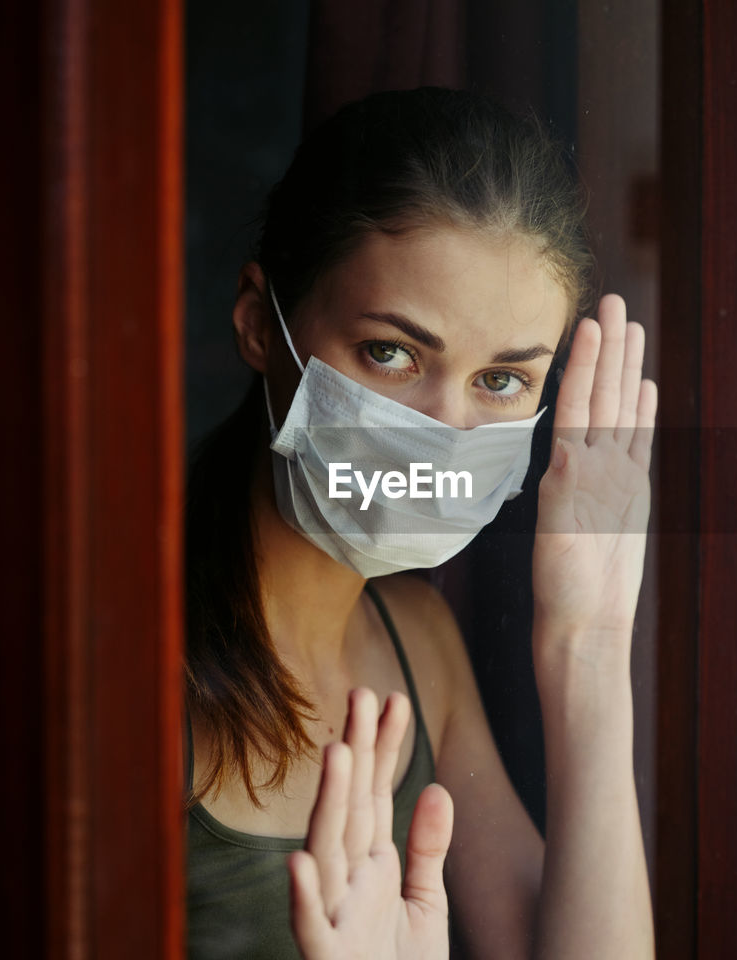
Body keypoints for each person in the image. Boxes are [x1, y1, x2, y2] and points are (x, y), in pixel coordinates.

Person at [185, 86, 657, 959]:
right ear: (261, 323)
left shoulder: (419, 641)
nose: (445, 433)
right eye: (392, 354)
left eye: (502, 380)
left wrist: (588, 645)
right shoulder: (127, 661)